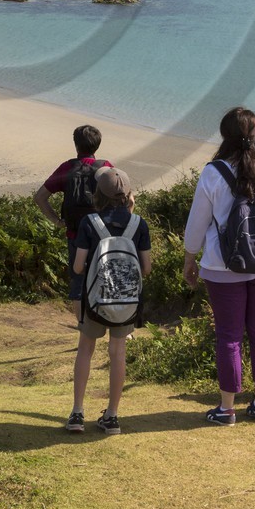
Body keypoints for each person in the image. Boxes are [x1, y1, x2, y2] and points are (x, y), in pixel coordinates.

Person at [182, 106, 255, 425]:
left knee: (229, 335)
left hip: (223, 265)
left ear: (225, 136)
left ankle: (226, 408)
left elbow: (197, 223)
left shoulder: (213, 172)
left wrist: (190, 257)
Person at [65, 166, 152, 437]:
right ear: (128, 195)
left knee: (85, 349)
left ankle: (77, 413)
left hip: (94, 299)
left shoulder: (90, 223)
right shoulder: (139, 224)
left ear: (97, 194)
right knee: (118, 353)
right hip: (125, 301)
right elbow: (147, 268)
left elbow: (79, 267)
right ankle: (112, 416)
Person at [33, 124, 111, 306]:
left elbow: (40, 197)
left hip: (75, 233)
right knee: (104, 277)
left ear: (76, 145)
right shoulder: (105, 167)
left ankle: (83, 327)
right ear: (97, 146)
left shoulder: (66, 168)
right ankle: (110, 323)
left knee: (78, 281)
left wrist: (57, 221)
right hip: (103, 233)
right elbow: (126, 197)